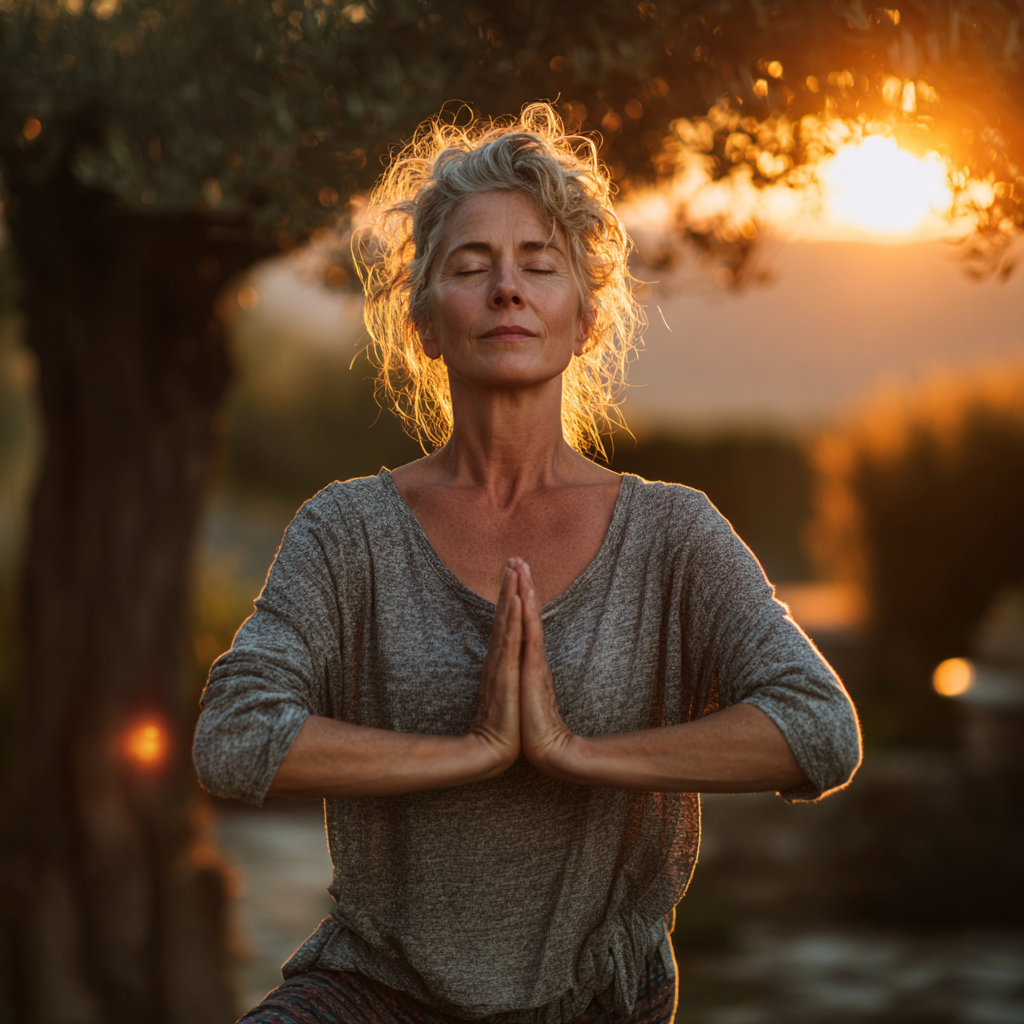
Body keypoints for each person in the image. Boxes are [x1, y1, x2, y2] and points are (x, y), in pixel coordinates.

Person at [193, 104, 861, 1024]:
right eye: (471, 267)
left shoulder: (672, 535)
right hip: (374, 991)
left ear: (584, 319)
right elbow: (232, 737)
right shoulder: (348, 532)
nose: (507, 288)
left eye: (539, 266)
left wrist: (571, 754)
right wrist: (467, 754)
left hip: (596, 1002)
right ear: (425, 321)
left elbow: (820, 729)